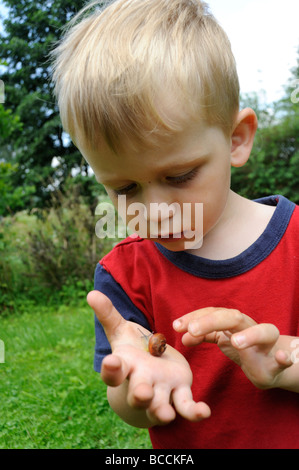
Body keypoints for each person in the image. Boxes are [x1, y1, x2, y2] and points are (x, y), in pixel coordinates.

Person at [51, 0, 299, 449]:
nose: (157, 210)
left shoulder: (296, 244)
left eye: (179, 176)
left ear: (236, 139)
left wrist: (285, 363)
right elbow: (125, 401)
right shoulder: (125, 274)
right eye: (124, 188)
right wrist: (135, 385)